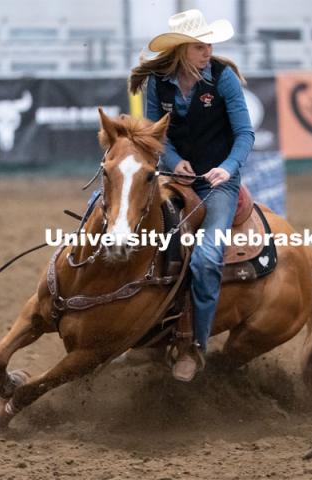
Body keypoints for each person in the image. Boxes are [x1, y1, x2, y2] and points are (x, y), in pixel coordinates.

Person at [129, 9, 255, 382]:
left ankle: (194, 347)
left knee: (206, 258)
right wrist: (172, 160)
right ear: (183, 50)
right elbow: (155, 135)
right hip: (173, 177)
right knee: (129, 227)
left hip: (219, 182)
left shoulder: (223, 78)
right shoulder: (157, 82)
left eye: (209, 44)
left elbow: (245, 134)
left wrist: (227, 169)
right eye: (201, 46)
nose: (208, 51)